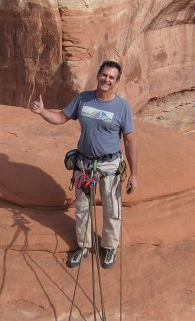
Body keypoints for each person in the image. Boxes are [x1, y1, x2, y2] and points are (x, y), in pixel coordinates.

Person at [30, 61, 138, 269]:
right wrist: (43, 111)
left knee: (111, 208)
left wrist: (134, 173)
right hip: (84, 164)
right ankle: (84, 246)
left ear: (117, 81)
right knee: (82, 208)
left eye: (111, 77)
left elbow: (130, 140)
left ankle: (109, 247)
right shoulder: (83, 99)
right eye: (104, 75)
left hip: (109, 166)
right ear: (98, 75)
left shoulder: (122, 106)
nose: (106, 79)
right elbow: (61, 117)